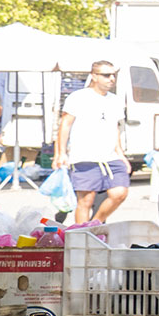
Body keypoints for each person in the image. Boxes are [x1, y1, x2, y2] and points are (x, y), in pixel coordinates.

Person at [54, 61, 130, 223]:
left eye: (113, 75)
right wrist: (60, 153)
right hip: (83, 156)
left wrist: (120, 154)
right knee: (86, 201)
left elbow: (115, 128)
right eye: (106, 75)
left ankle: (95, 224)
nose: (111, 79)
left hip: (110, 157)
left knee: (119, 193)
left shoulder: (116, 100)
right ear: (94, 76)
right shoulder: (78, 97)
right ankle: (82, 234)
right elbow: (65, 124)